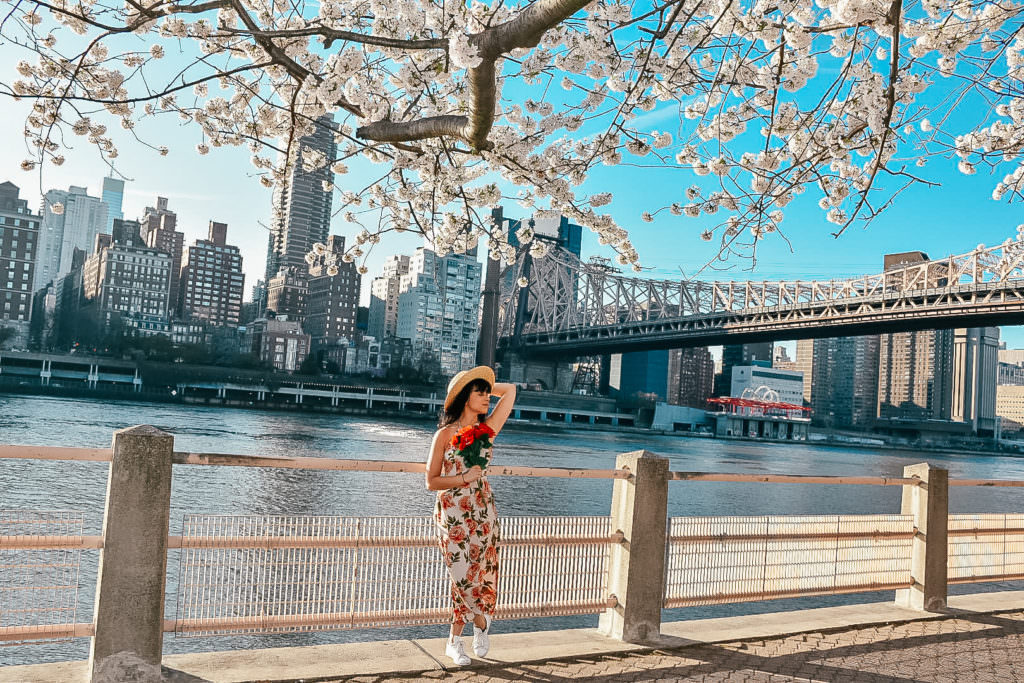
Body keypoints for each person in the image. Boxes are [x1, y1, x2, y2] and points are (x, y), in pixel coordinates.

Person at [425, 366, 516, 666]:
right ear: (465, 397)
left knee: (482, 572)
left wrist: (487, 383)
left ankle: (456, 640)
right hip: (452, 514)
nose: (487, 397)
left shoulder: (487, 431)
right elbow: (431, 481)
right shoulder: (444, 435)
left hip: (482, 510)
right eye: (479, 393)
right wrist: (463, 478)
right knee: (460, 575)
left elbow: (511, 391)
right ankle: (478, 621)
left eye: (488, 393)